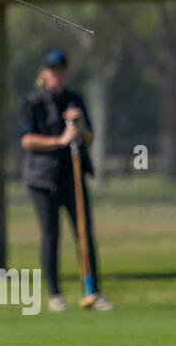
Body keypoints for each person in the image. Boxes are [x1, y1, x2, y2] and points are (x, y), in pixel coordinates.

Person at [19, 50, 113, 312]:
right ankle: (55, 295)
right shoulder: (34, 103)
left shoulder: (75, 101)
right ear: (44, 73)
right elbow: (27, 140)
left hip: (73, 175)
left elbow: (89, 138)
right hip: (42, 179)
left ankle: (92, 290)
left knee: (84, 232)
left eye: (61, 69)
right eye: (53, 70)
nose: (57, 74)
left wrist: (78, 127)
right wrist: (59, 140)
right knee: (51, 234)